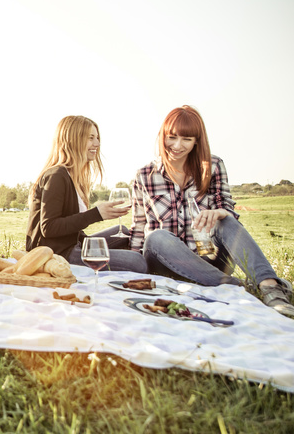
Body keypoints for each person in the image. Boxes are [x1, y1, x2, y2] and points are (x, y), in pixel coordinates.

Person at [130, 105, 293, 317]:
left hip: (209, 256)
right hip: (166, 260)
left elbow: (226, 205)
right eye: (172, 137)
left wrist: (220, 213)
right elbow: (138, 225)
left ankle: (270, 288)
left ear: (197, 141)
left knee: (226, 221)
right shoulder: (144, 175)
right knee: (156, 236)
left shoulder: (213, 166)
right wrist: (132, 269)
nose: (177, 146)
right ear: (163, 136)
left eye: (186, 139)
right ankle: (240, 287)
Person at [26, 116, 147, 273]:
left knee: (123, 232)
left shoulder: (72, 176)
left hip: (71, 244)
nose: (97, 144)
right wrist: (96, 214)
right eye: (91, 138)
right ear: (73, 140)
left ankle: (122, 265)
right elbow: (49, 228)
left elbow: (72, 227)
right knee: (137, 262)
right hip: (55, 254)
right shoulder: (56, 175)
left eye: (97, 138)